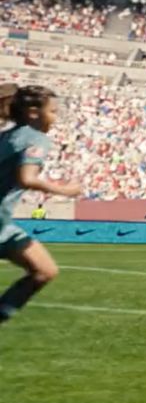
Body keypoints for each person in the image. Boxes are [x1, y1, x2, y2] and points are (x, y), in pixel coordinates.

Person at [0, 84, 84, 326]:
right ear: (34, 113)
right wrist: (66, 190)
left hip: (4, 224)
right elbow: (27, 178)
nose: (56, 119)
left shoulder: (6, 135)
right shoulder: (36, 139)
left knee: (45, 270)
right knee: (44, 271)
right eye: (53, 112)